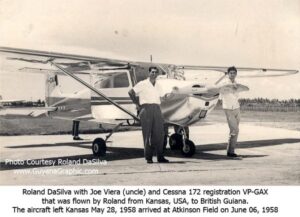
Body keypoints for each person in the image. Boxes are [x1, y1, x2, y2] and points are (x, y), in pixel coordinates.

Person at [128, 66, 169, 164]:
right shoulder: (143, 84)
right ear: (149, 73)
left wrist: (167, 96)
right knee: (147, 134)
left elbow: (161, 97)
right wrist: (137, 104)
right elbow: (131, 92)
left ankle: (160, 156)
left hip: (157, 108)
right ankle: (148, 157)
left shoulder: (158, 85)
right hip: (146, 109)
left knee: (159, 133)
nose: (154, 74)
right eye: (152, 72)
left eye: (155, 72)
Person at [218, 66, 249, 157]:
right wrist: (230, 88)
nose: (232, 75)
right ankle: (230, 152)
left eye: (234, 73)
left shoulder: (236, 84)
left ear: (236, 74)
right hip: (228, 108)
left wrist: (236, 88)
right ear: (228, 74)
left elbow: (241, 91)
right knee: (235, 130)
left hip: (236, 108)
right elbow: (220, 90)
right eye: (230, 73)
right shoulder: (224, 83)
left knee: (234, 130)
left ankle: (230, 150)